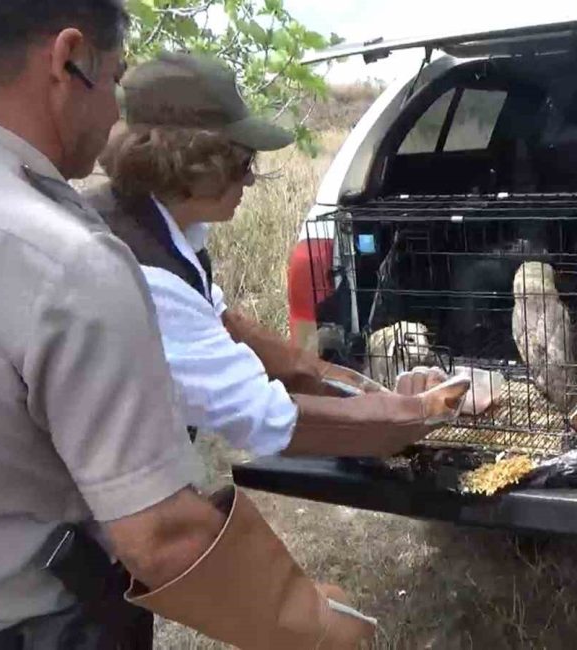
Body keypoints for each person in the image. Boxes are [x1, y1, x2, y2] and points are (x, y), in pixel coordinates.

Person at [0, 2, 441, 648]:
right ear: (67, 58)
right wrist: (321, 626)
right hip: (29, 622)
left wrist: (361, 389)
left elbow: (230, 326)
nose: (113, 114)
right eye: (114, 80)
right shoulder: (71, 261)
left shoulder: (71, 217)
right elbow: (162, 536)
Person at [86, 51, 471, 460]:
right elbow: (262, 416)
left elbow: (233, 330)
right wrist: (418, 414)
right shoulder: (139, 269)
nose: (250, 178)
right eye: (242, 162)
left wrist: (366, 390)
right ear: (190, 162)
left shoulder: (158, 228)